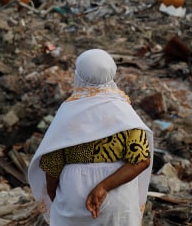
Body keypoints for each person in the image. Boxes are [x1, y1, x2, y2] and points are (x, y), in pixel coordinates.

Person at [28, 49, 153, 225]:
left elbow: (52, 165)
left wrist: (60, 202)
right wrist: (103, 187)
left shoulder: (69, 112)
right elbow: (141, 160)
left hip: (74, 200)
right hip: (117, 201)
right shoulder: (123, 113)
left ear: (79, 75)